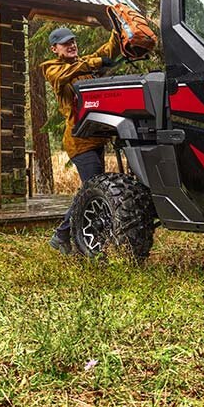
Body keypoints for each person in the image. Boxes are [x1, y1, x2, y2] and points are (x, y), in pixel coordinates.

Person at [41, 26, 120, 253]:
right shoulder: (52, 68)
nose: (72, 45)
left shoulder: (84, 62)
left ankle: (67, 235)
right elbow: (65, 75)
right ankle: (63, 234)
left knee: (93, 188)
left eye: (73, 41)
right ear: (54, 49)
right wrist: (96, 63)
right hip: (78, 140)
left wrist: (118, 29)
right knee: (92, 190)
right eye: (66, 43)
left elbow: (108, 51)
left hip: (96, 138)